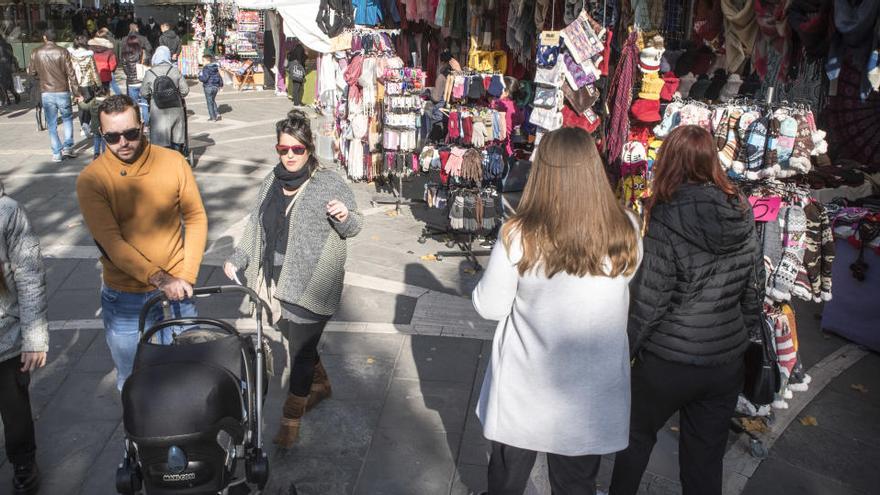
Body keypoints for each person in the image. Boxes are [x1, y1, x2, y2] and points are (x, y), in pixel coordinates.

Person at [472, 127, 642, 495]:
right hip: (590, 390)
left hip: (526, 384)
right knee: (577, 483)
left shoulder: (518, 234)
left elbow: (490, 306)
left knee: (506, 477)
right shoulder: (627, 228)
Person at [609, 126, 764, 495]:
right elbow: (753, 293)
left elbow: (649, 299)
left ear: (669, 162)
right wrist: (732, 339)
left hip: (666, 361)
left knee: (635, 440)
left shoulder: (667, 214)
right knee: (705, 459)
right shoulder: (742, 212)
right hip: (723, 364)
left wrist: (625, 353)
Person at [224, 110, 363, 448]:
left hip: (314, 283)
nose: (289, 156)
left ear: (309, 148)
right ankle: (321, 384)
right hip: (277, 281)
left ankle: (290, 421)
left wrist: (345, 217)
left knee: (299, 352)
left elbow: (355, 224)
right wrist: (239, 257)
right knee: (296, 340)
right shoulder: (271, 181)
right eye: (283, 149)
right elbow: (256, 225)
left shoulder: (328, 182)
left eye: (297, 150)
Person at [76, 95, 208, 392]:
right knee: (136, 382)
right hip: (126, 299)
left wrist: (186, 275)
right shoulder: (92, 179)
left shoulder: (173, 162)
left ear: (143, 126)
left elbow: (196, 217)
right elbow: (112, 243)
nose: (123, 142)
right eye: (111, 137)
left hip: (178, 291)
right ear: (101, 134)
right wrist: (161, 279)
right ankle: (140, 440)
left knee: (186, 377)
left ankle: (181, 439)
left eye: (131, 133)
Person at [0, 181, 48, 495]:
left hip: (6, 337)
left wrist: (34, 337)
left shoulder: (7, 211)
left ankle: (23, 462)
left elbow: (29, 274)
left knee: (14, 407)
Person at [28, 29, 81, 163]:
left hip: (46, 91)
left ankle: (57, 153)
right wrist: (76, 92)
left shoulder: (36, 52)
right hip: (63, 90)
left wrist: (41, 76)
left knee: (52, 123)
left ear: (45, 38)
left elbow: (32, 72)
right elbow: (71, 74)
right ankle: (68, 147)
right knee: (67, 118)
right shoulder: (63, 52)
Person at [140, 46, 188, 151]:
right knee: (176, 136)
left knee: (159, 139)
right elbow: (185, 91)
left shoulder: (150, 73)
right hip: (175, 107)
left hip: (157, 110)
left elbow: (143, 93)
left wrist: (152, 97)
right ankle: (177, 157)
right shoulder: (175, 70)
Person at [68, 35, 100, 138]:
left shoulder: (71, 55)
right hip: (88, 84)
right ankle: (87, 125)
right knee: (89, 106)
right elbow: (94, 71)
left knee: (80, 107)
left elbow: (69, 71)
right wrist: (99, 83)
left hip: (76, 84)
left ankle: (82, 127)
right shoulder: (89, 56)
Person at [121, 34, 149, 127]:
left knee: (134, 104)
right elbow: (146, 63)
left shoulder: (124, 54)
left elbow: (124, 68)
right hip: (142, 81)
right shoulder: (141, 51)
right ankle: (146, 123)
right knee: (144, 102)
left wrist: (130, 75)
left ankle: (136, 123)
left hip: (131, 82)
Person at [197, 54, 223, 121]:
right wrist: (220, 85)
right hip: (215, 87)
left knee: (209, 102)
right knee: (212, 100)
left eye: (203, 61)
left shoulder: (206, 68)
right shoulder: (215, 67)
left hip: (208, 87)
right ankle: (217, 114)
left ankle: (212, 117)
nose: (202, 62)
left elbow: (205, 78)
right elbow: (219, 77)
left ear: (208, 61)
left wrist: (199, 76)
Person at [0, 36, 20, 106]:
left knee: (2, 84)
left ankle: (8, 99)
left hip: (2, 67)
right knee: (9, 84)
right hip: (8, 67)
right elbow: (12, 55)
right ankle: (15, 96)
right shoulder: (8, 45)